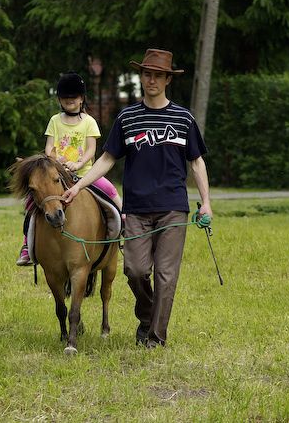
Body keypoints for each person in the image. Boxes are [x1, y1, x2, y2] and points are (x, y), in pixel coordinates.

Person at [61, 48, 212, 348]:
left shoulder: (184, 118)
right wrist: (78, 187)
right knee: (136, 270)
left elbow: (196, 162)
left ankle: (154, 338)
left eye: (157, 75)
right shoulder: (127, 117)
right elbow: (106, 159)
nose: (151, 80)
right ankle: (147, 317)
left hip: (173, 209)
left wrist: (206, 202)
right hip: (137, 210)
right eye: (147, 74)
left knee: (166, 277)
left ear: (168, 79)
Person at [16, 72, 123, 266]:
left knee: (110, 190)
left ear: (81, 98)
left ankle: (123, 224)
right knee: (31, 204)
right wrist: (55, 160)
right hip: (57, 173)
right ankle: (26, 245)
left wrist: (79, 163)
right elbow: (49, 147)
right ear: (59, 99)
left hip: (85, 174)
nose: (69, 102)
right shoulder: (55, 121)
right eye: (65, 98)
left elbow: (92, 149)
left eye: (73, 98)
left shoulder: (89, 122)